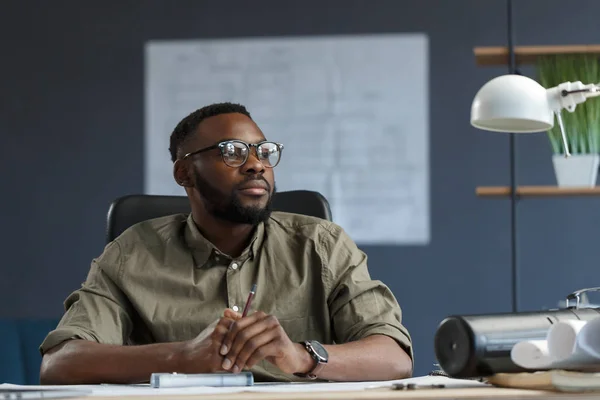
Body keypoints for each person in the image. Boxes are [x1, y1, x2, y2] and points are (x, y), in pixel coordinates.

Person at [39, 102, 413, 384]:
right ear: (184, 172)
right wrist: (183, 356)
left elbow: (394, 357)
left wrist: (301, 356)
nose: (256, 164)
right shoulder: (132, 252)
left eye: (263, 151)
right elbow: (59, 363)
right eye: (232, 151)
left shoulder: (322, 244)